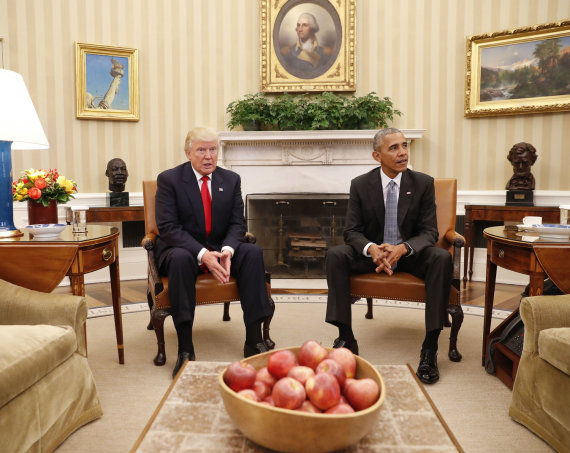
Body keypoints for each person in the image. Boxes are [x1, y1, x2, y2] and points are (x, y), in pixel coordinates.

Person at [325, 127, 453, 384]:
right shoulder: (360, 184)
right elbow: (351, 231)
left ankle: (430, 347)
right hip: (374, 253)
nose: (402, 152)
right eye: (393, 148)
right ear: (377, 155)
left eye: (404, 146)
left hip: (409, 253)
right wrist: (372, 248)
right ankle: (346, 337)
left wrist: (402, 248)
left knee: (441, 258)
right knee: (336, 255)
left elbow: (429, 231)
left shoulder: (423, 183)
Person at [154, 127, 274, 377]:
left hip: (220, 247)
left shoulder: (230, 180)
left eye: (213, 149)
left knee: (252, 253)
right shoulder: (169, 180)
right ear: (188, 153)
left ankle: (254, 339)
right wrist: (202, 253)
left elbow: (237, 224)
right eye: (201, 150)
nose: (208, 156)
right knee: (180, 259)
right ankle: (185, 348)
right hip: (181, 249)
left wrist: (228, 250)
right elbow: (168, 228)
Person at [280, 12, 333, 78]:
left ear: (312, 28)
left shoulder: (326, 52)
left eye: (304, 25)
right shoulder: (287, 52)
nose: (300, 29)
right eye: (298, 25)